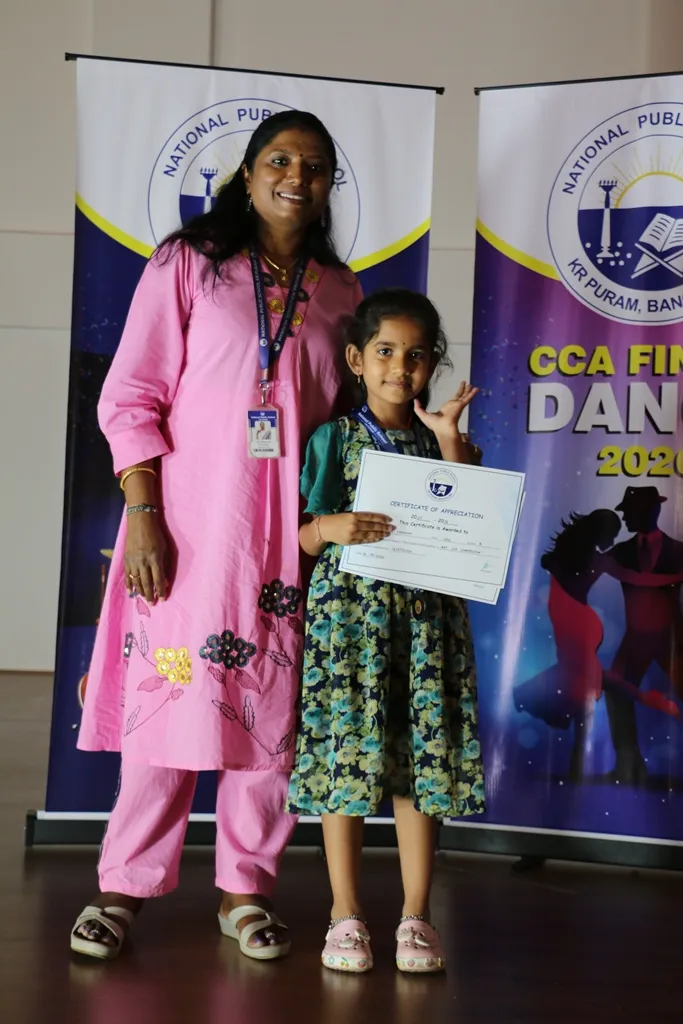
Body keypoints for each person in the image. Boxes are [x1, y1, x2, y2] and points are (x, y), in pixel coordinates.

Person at [70, 110, 362, 961]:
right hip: (189, 531)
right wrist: (144, 516)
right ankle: (123, 888)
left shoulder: (340, 293)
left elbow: (348, 424)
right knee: (168, 704)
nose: (296, 177)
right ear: (248, 171)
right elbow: (131, 396)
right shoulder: (189, 263)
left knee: (272, 714)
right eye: (280, 159)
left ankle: (245, 889)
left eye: (314, 165)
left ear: (327, 185)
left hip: (289, 545)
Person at [285, 289, 485, 974]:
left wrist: (452, 443)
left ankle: (415, 915)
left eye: (416, 354)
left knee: (418, 762)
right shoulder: (333, 439)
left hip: (426, 628)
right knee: (345, 760)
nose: (401, 367)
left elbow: (474, 530)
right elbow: (299, 539)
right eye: (385, 351)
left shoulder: (445, 441)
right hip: (349, 625)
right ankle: (344, 914)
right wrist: (327, 527)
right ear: (356, 360)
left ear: (432, 363)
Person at [514, 508, 683, 780]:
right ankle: (648, 701)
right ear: (601, 532)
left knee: (583, 686)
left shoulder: (564, 556)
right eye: (613, 535)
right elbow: (637, 578)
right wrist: (674, 578)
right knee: (584, 683)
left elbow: (636, 579)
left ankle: (577, 767)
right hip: (578, 624)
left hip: (572, 622)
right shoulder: (597, 560)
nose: (613, 541)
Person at [605, 486, 683, 784]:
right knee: (616, 690)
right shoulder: (621, 552)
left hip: (673, 638)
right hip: (635, 639)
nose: (624, 517)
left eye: (629, 511)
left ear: (650, 511)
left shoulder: (679, 550)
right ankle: (627, 766)